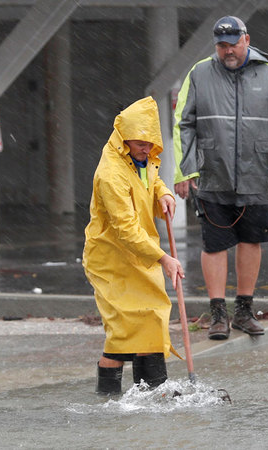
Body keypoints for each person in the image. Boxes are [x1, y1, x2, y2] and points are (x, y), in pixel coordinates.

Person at [173, 16, 268, 340]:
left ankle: (243, 311)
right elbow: (183, 123)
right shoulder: (200, 73)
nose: (227, 51)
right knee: (214, 243)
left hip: (257, 174)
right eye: (221, 45)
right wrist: (184, 170)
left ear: (247, 39)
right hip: (212, 173)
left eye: (232, 44)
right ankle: (218, 315)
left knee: (251, 240)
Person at [82, 96, 185, 395]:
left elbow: (151, 180)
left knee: (151, 319)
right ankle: (110, 399)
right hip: (112, 260)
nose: (147, 149)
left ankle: (154, 392)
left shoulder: (144, 156)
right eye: (140, 143)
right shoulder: (110, 174)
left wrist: (163, 193)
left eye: (151, 143)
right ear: (124, 140)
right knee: (124, 332)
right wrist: (164, 258)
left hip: (141, 254)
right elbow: (125, 230)